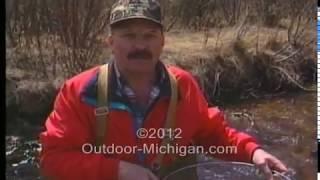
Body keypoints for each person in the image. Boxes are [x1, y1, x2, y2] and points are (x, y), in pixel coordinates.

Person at [39, 0, 288, 179]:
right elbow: (53, 161)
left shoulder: (183, 85)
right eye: (129, 35)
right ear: (111, 42)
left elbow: (212, 132)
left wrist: (252, 152)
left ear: (162, 41)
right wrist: (117, 170)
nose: (140, 45)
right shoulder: (80, 91)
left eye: (149, 36)